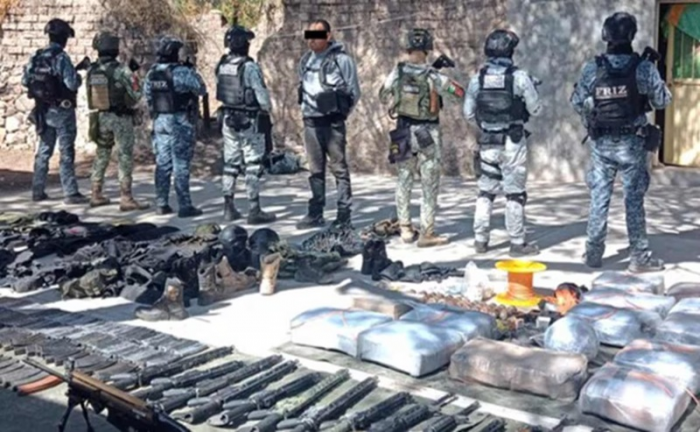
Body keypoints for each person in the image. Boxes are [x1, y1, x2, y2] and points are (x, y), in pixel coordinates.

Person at [571, 12, 671, 272]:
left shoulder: (593, 68)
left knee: (599, 197)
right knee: (634, 201)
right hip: (632, 146)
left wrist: (593, 117)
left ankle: (593, 254)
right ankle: (639, 258)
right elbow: (663, 101)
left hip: (601, 145)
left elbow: (577, 102)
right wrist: (654, 74)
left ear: (605, 35)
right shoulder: (644, 68)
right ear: (632, 35)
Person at [378, 28, 466, 247]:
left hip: (402, 130)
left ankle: (405, 228)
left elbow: (382, 94)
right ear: (428, 49)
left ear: (408, 48)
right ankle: (427, 233)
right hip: (427, 133)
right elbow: (459, 94)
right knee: (429, 183)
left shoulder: (397, 72)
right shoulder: (434, 76)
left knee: (404, 179)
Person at [464, 29, 542, 257]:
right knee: (514, 194)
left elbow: (468, 113)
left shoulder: (477, 79)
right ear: (510, 52)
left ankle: (480, 240)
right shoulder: (520, 77)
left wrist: (487, 124)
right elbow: (535, 109)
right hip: (512, 143)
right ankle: (517, 243)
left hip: (488, 141)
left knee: (485, 192)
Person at [296, 19, 361, 229]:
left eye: (317, 35)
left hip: (332, 123)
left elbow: (353, 92)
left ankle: (344, 215)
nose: (312, 40)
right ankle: (315, 212)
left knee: (339, 169)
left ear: (328, 36)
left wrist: (341, 114)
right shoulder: (305, 61)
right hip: (311, 123)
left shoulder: (342, 61)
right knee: (315, 171)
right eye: (309, 35)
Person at [22, 18, 88, 204]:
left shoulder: (36, 56)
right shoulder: (61, 58)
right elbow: (71, 84)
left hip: (43, 110)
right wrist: (78, 76)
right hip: (62, 111)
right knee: (66, 152)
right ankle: (70, 193)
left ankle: (37, 190)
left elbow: (25, 81)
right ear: (64, 38)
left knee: (43, 151)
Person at [216, 25, 276, 224]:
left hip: (228, 118)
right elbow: (263, 98)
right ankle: (254, 209)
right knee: (252, 164)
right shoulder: (249, 67)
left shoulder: (222, 65)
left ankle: (228, 207)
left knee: (230, 164)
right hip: (249, 120)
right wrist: (267, 109)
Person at [144, 36, 207, 218]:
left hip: (160, 121)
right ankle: (185, 205)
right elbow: (201, 89)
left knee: (162, 163)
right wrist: (191, 70)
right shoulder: (181, 72)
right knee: (181, 164)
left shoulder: (152, 73)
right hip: (179, 122)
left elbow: (147, 96)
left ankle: (161, 203)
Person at [86, 31, 149, 211]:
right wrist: (135, 74)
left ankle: (95, 193)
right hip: (121, 118)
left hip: (101, 116)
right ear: (115, 50)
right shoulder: (121, 70)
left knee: (102, 153)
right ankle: (126, 198)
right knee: (125, 155)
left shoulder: (92, 70)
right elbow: (137, 94)